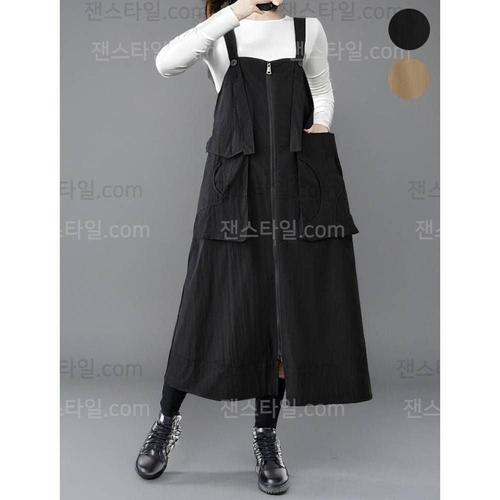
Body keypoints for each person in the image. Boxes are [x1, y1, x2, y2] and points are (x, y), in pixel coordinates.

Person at [135, 0, 372, 495]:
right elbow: (166, 63)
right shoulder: (222, 34)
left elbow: (322, 88)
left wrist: (322, 123)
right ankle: (164, 422)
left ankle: (266, 435)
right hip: (233, 190)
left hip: (296, 189)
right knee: (204, 304)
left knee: (282, 315)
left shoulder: (307, 31)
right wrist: (235, 10)